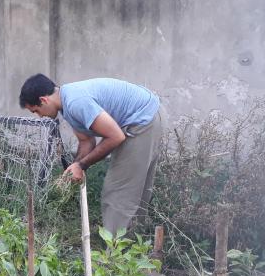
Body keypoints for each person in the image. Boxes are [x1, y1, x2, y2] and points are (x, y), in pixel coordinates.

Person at [19, 74, 165, 234]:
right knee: (134, 191)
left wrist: (82, 165)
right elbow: (86, 142)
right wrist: (74, 167)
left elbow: (116, 136)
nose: (40, 116)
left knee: (117, 194)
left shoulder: (76, 103)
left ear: (44, 100)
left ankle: (115, 255)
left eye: (37, 111)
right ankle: (135, 247)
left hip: (141, 122)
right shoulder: (67, 102)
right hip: (149, 114)